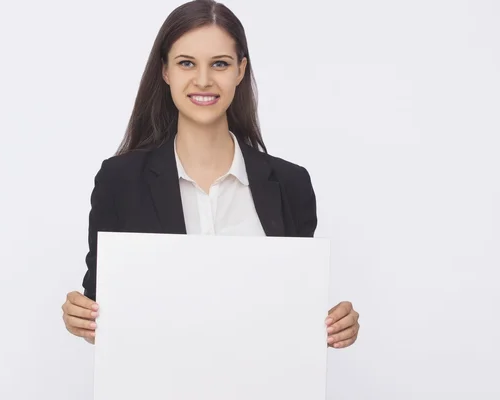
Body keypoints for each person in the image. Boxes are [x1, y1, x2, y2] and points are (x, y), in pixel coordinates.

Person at [61, 0, 360, 348]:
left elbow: (291, 309)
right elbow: (101, 311)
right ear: (166, 71)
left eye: (220, 64)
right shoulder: (120, 181)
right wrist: (78, 316)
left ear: (240, 70)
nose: (203, 80)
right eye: (186, 63)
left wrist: (334, 325)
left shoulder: (290, 185)